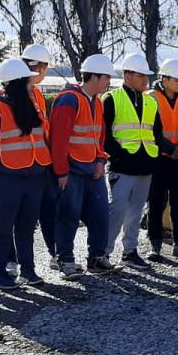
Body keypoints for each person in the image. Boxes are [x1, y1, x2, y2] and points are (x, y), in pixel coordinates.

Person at [0, 59, 51, 289]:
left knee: (26, 226)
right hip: (6, 179)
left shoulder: (32, 105)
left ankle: (28, 270)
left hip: (34, 176)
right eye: (27, 79)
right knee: (2, 227)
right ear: (18, 82)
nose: (30, 83)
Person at [103, 52, 170, 268]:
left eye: (147, 76)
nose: (146, 80)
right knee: (117, 211)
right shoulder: (112, 99)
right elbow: (104, 135)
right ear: (127, 75)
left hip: (145, 167)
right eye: (141, 76)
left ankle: (130, 252)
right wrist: (119, 155)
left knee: (136, 211)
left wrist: (160, 155)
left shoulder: (150, 102)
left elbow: (156, 134)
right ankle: (103, 253)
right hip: (122, 167)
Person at [51, 54, 114, 277]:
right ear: (95, 77)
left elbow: (99, 137)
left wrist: (100, 160)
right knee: (68, 215)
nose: (108, 82)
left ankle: (96, 258)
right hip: (71, 171)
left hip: (92, 170)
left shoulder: (97, 102)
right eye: (106, 77)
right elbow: (58, 141)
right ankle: (65, 260)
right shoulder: (68, 100)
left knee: (100, 214)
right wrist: (61, 172)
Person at [5, 43, 57, 275]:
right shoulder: (6, 95)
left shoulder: (36, 94)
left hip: (39, 164)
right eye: (43, 68)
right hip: (14, 167)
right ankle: (11, 260)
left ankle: (55, 252)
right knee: (12, 216)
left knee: (45, 210)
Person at [148, 58, 178, 259]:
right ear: (164, 80)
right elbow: (149, 130)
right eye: (176, 80)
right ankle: (155, 244)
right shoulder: (151, 98)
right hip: (159, 158)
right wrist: (169, 148)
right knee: (156, 203)